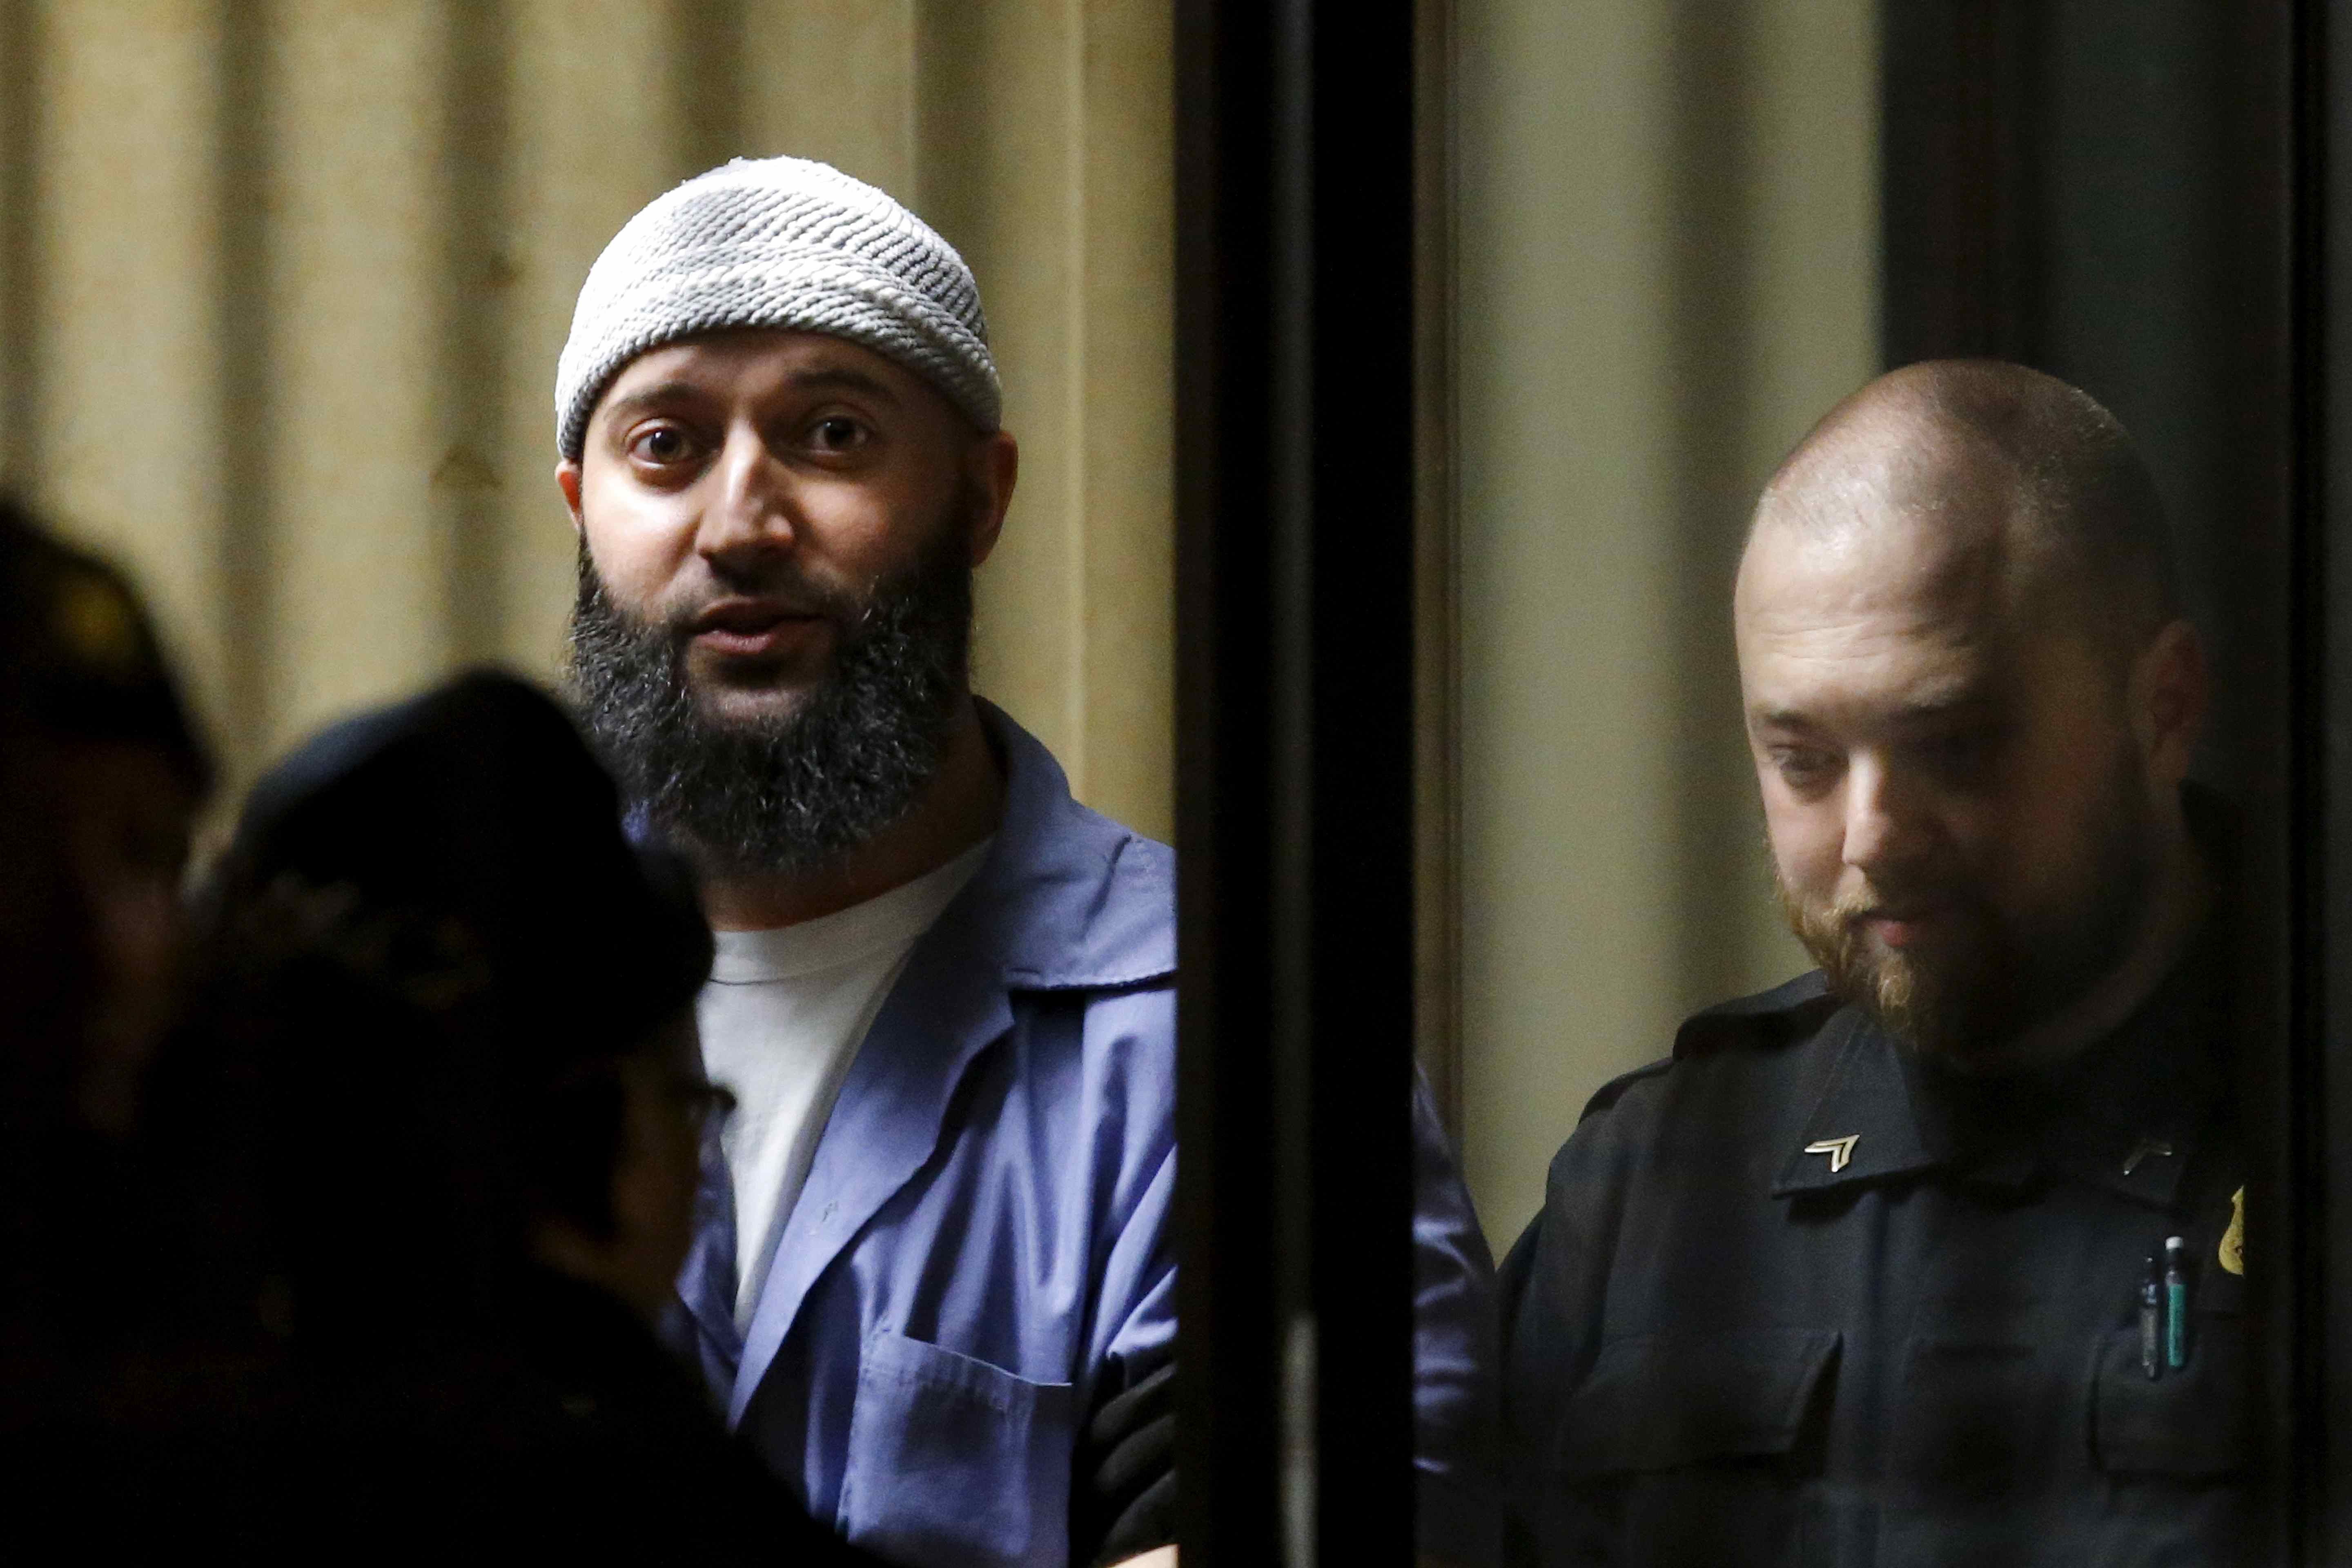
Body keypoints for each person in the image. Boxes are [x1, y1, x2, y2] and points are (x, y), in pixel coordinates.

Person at [554, 155, 1499, 1568]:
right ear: (579, 505)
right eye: (666, 447)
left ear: (982, 498)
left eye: (829, 434)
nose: (741, 523)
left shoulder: (1236, 1050)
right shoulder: (477, 1016)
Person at [1499, 361, 2246, 1564]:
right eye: (1803, 760)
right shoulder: (1658, 1187)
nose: (1870, 839)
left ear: (2162, 707)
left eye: (1952, 745)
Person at [92, 671, 878, 1558]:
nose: (701, 1168)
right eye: (688, 1101)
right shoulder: (665, 1509)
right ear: (599, 1123)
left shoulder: (127, 1465)